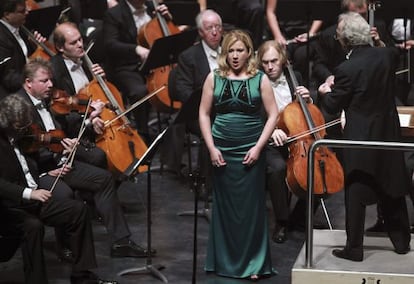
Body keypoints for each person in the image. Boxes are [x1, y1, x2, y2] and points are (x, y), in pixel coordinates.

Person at [19, 57, 155, 260]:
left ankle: (121, 242)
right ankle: (66, 245)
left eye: (50, 80)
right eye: (44, 81)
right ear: (28, 83)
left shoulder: (47, 100)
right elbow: (21, 151)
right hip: (40, 171)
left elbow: (63, 125)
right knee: (65, 193)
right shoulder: (19, 107)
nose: (50, 85)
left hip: (60, 160)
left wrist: (73, 137)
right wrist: (50, 168)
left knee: (104, 178)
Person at [318, 12, 411, 261]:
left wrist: (325, 91)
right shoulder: (387, 55)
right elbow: (391, 52)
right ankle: (402, 241)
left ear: (345, 41)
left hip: (359, 137)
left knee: (357, 189)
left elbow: (332, 106)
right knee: (392, 183)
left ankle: (355, 248)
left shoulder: (346, 68)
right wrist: (379, 41)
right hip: (388, 132)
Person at [0, 93, 116, 284]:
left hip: (34, 197)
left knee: (78, 210)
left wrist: (56, 166)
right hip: (11, 206)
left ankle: (82, 275)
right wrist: (30, 193)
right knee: (33, 227)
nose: (27, 130)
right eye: (22, 126)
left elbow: (31, 167)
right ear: (9, 124)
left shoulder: (22, 138)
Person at [199, 30, 278, 280]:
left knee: (251, 210)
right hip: (222, 151)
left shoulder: (260, 79)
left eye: (239, 50)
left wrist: (258, 147)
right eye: (230, 50)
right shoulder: (213, 78)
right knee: (225, 209)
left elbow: (273, 114)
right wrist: (211, 148)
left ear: (248, 53)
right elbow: (203, 114)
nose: (234, 55)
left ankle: (254, 264)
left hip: (250, 151)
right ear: (225, 53)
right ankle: (225, 262)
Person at [256, 40, 315, 243]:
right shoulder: (256, 82)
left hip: (296, 137)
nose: (270, 67)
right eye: (265, 62)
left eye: (274, 61)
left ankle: (299, 217)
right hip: (269, 140)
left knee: (320, 167)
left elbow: (304, 109)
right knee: (278, 168)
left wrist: (308, 98)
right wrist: (271, 131)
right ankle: (282, 221)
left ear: (282, 60)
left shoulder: (294, 77)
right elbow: (255, 116)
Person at [161, 9, 222, 178]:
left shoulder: (230, 50)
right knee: (210, 133)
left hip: (228, 109)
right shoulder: (189, 56)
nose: (215, 32)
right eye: (210, 28)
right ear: (201, 32)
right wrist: (208, 103)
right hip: (200, 113)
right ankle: (205, 181)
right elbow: (183, 90)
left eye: (218, 27)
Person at [103, 0, 173, 144]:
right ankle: (143, 134)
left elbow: (164, 36)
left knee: (178, 81)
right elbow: (110, 44)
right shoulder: (114, 14)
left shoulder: (151, 7)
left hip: (154, 65)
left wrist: (167, 20)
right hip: (126, 66)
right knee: (140, 92)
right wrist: (136, 49)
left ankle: (175, 129)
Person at [0, 0, 47, 99]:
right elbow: (8, 77)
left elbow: (24, 57)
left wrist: (35, 47)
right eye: (22, 11)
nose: (27, 12)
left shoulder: (21, 29)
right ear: (7, 14)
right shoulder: (2, 37)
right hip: (13, 95)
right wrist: (33, 80)